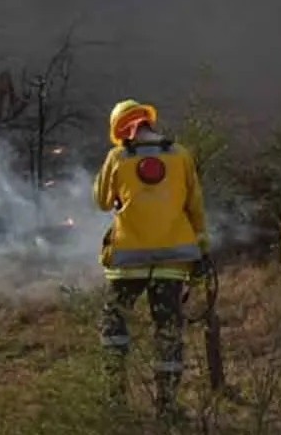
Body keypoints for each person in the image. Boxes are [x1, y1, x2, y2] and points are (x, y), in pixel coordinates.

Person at [92, 98, 209, 421]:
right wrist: (202, 248)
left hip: (127, 263)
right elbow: (195, 207)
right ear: (149, 122)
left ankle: (115, 400)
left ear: (122, 130)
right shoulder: (181, 155)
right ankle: (167, 405)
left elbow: (102, 202)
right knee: (168, 330)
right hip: (172, 263)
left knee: (114, 328)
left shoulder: (118, 157)